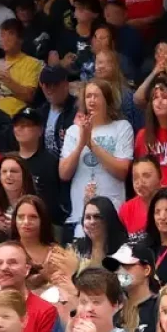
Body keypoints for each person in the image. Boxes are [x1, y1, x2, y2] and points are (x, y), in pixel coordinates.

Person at [60, 80, 134, 238]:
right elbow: (64, 173)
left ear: (107, 100)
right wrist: (81, 143)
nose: (91, 101)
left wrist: (91, 144)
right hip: (81, 215)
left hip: (112, 212)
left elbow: (122, 171)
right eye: (88, 96)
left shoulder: (121, 127)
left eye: (96, 96)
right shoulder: (73, 131)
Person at [104, 243, 160, 332]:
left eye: (126, 265)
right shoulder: (113, 307)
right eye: (117, 266)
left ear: (146, 270)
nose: (120, 270)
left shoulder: (160, 306)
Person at [118, 155, 162, 241]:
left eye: (146, 176)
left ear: (160, 176)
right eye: (135, 178)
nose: (140, 183)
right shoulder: (127, 209)